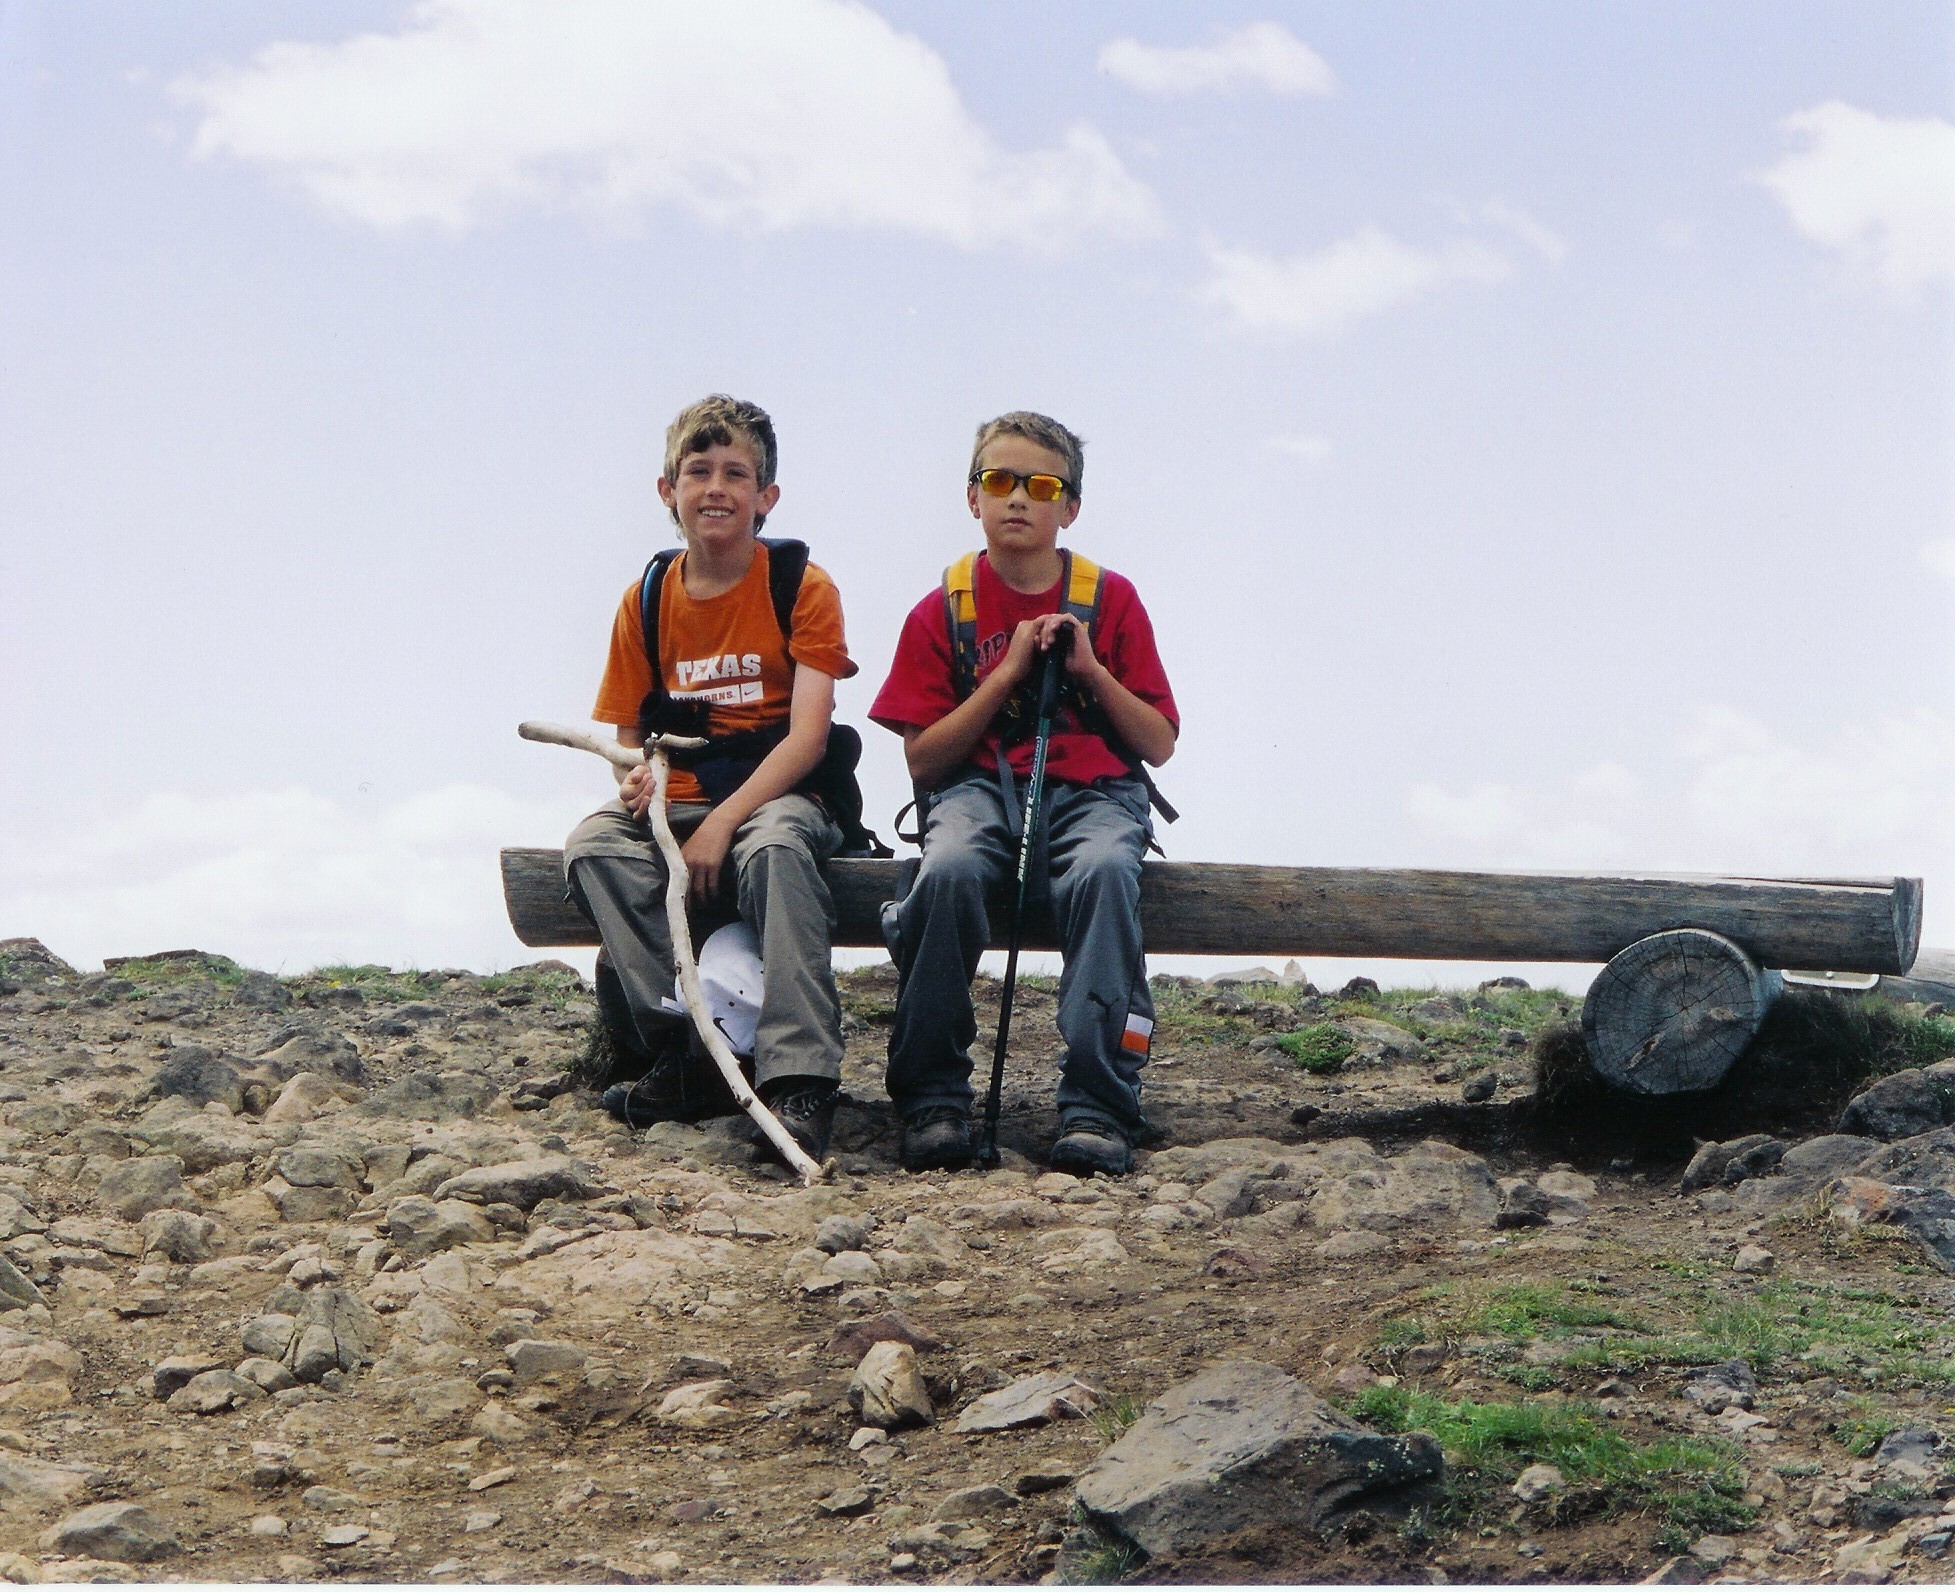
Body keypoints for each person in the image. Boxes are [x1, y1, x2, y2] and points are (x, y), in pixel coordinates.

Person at [870, 411, 1179, 1176]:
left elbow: (1158, 743)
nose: (1017, 499)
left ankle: (1099, 1104)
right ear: (971, 496)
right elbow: (923, 761)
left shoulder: (1111, 601)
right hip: (974, 790)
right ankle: (933, 1096)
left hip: (1096, 793)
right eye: (998, 480)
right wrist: (1004, 675)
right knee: (943, 872)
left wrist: (1088, 672)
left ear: (1068, 507)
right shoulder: (939, 609)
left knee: (1107, 872)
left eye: (1040, 486)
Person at [562, 395, 855, 1164]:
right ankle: (690, 1048)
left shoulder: (801, 583)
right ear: (668, 490)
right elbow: (629, 738)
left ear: (766, 497)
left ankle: (799, 1078)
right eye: (698, 471)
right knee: (595, 844)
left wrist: (725, 821)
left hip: (779, 793)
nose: (716, 487)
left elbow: (808, 736)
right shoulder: (647, 599)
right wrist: (636, 782)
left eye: (736, 473)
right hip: (684, 795)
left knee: (777, 851)